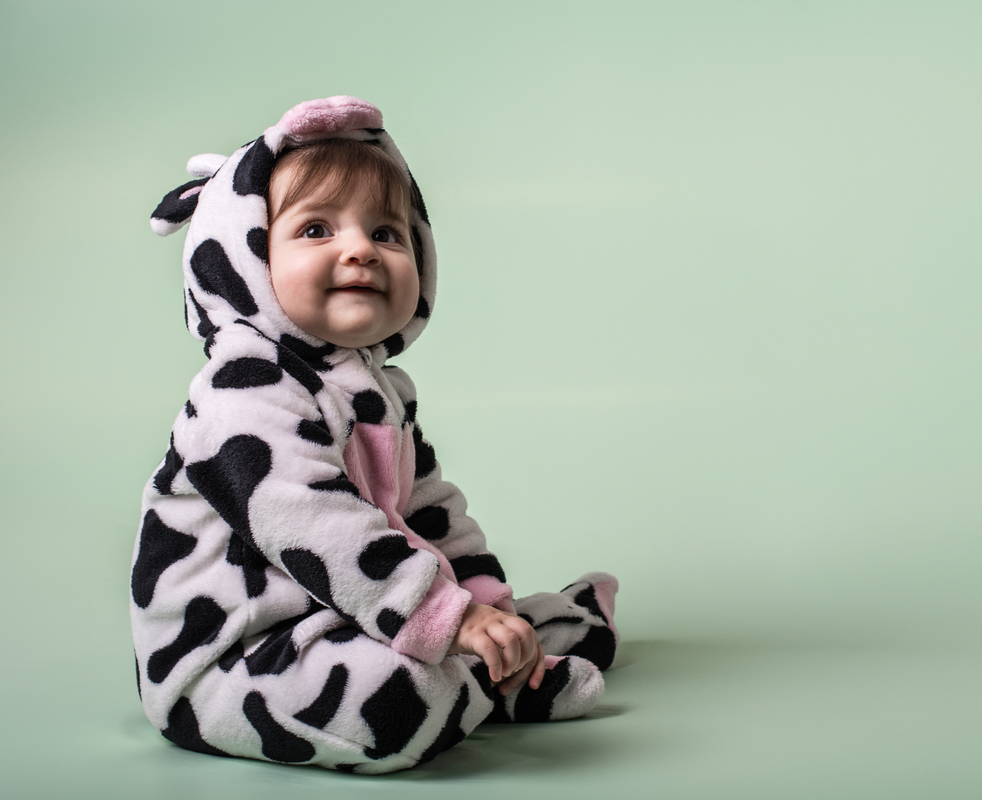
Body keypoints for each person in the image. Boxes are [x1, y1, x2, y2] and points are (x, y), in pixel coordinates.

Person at [131, 96, 619, 774]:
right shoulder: (237, 391)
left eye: (388, 234)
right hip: (236, 659)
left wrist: (483, 607)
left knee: (463, 615)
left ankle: (508, 649)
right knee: (394, 704)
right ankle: (496, 673)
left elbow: (428, 514)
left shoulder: (376, 390)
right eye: (316, 230)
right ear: (245, 261)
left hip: (353, 615)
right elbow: (315, 521)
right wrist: (453, 621)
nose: (361, 248)